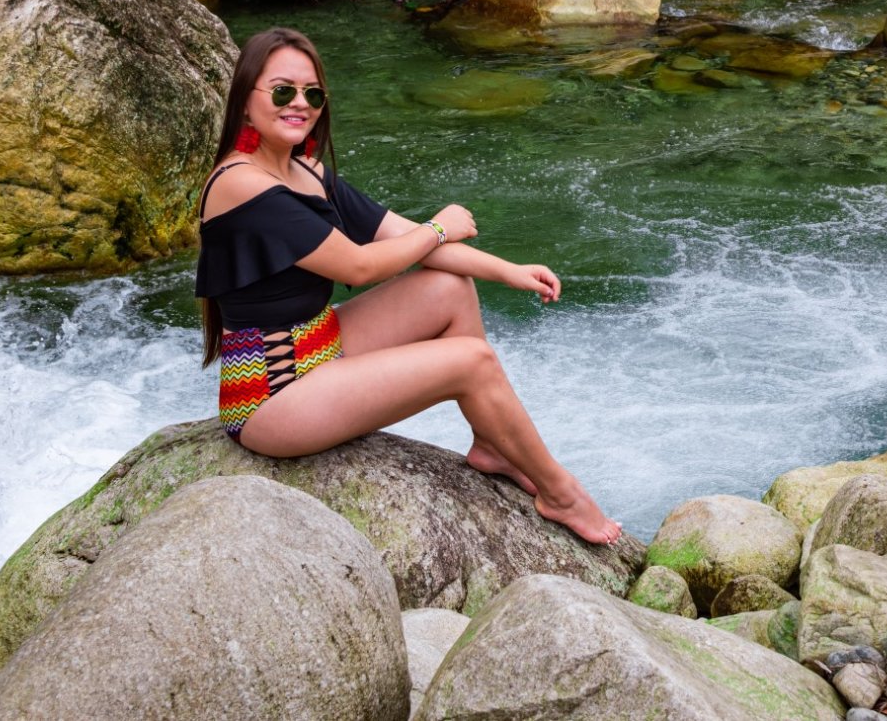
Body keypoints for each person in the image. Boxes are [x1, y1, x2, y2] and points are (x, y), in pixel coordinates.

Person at [194, 26, 621, 545]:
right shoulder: (240, 182)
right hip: (271, 392)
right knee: (471, 362)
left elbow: (397, 235)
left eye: (312, 94)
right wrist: (438, 226)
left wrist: (508, 270)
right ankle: (562, 493)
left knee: (450, 288)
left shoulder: (306, 170)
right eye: (283, 91)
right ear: (245, 102)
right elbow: (359, 267)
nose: (299, 104)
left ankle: (491, 442)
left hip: (318, 344)